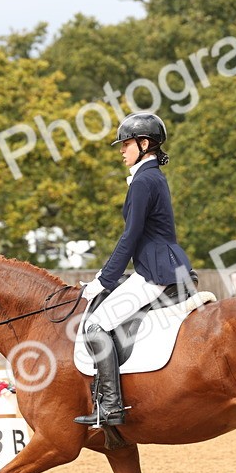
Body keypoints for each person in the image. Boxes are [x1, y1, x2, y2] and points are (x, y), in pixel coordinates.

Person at [74, 112, 195, 427]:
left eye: (126, 143)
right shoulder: (151, 177)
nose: (121, 150)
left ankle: (110, 405)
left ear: (145, 144)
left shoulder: (144, 181)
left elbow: (130, 237)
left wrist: (104, 280)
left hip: (157, 274)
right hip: (162, 265)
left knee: (95, 324)